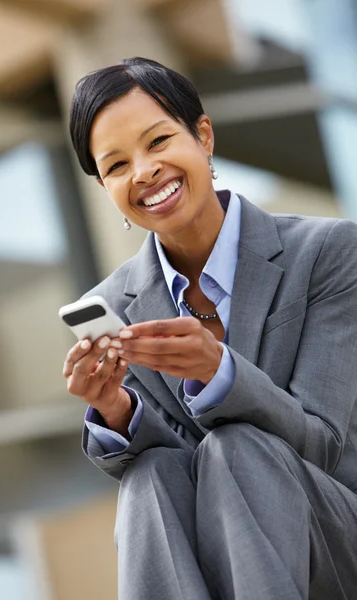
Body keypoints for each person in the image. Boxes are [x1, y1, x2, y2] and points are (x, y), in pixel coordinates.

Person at [63, 57, 357, 600]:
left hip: (336, 538)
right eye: (117, 165)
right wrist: (117, 412)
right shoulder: (110, 305)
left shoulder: (330, 253)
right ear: (104, 185)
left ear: (202, 136)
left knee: (236, 447)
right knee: (149, 478)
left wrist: (220, 372)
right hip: (222, 566)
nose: (144, 172)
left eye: (157, 142)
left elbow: (322, 445)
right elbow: (177, 467)